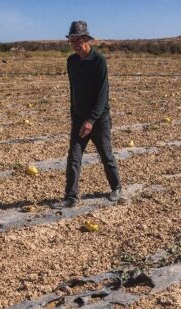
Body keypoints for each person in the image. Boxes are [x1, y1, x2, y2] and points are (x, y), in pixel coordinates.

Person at [52, 21, 121, 209]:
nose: (74, 44)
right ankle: (71, 197)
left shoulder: (99, 61)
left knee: (106, 155)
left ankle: (116, 187)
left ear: (86, 39)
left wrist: (91, 120)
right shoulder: (71, 61)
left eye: (77, 40)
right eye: (71, 40)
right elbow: (73, 91)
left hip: (99, 119)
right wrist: (75, 115)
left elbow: (102, 95)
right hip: (79, 118)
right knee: (73, 157)